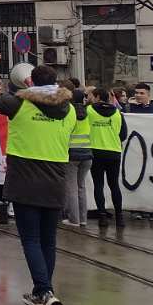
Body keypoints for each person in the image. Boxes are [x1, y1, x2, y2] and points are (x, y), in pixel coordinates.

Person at [0, 53, 73, 305]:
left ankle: (45, 291)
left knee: (30, 239)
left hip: (25, 177)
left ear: (31, 81)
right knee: (48, 241)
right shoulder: (70, 109)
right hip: (56, 178)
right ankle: (42, 294)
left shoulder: (20, 104)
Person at [86, 87, 125, 227]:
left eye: (91, 96)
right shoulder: (118, 113)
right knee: (114, 185)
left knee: (98, 185)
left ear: (97, 97)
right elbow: (123, 134)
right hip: (114, 152)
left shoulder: (89, 110)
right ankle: (119, 217)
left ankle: (102, 216)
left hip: (96, 151)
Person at [63, 87, 93, 228]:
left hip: (72, 155)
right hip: (87, 154)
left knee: (72, 188)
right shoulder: (89, 112)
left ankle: (73, 219)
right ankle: (83, 219)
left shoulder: (69, 112)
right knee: (81, 187)